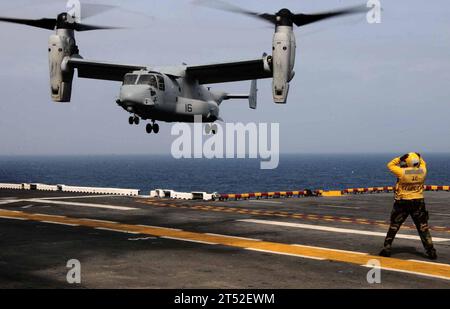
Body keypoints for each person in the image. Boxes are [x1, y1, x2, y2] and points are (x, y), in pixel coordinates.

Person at [380, 152, 437, 260]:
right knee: (423, 228)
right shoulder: (423, 171)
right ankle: (431, 251)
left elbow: (390, 165)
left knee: (394, 226)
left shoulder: (402, 172)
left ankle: (386, 248)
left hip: (402, 202)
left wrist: (399, 158)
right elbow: (423, 163)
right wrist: (419, 156)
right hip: (418, 202)